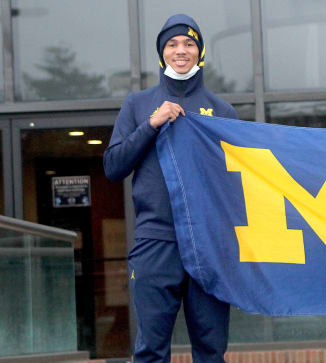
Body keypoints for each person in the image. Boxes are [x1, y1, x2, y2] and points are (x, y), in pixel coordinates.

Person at [104, 14, 237, 362]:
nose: (181, 51)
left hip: (208, 245)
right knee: (150, 350)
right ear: (161, 53)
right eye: (172, 44)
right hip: (155, 243)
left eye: (189, 43)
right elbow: (114, 167)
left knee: (211, 351)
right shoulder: (137, 105)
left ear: (200, 51)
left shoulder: (223, 111)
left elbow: (235, 183)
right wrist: (151, 124)